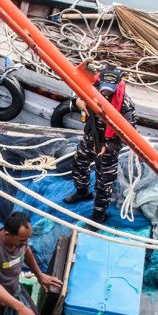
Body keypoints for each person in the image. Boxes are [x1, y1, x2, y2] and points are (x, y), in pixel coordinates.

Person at [63, 68, 136, 226]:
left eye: (110, 90)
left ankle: (98, 215)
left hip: (108, 146)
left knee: (104, 183)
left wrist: (109, 147)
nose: (106, 93)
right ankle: (82, 192)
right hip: (90, 138)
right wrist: (79, 103)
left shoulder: (125, 105)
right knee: (79, 164)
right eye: (104, 87)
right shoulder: (91, 89)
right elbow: (74, 99)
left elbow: (130, 135)